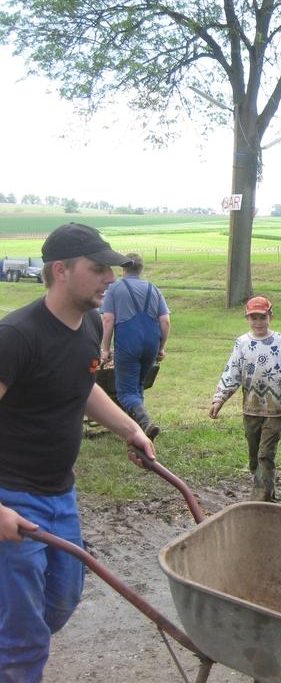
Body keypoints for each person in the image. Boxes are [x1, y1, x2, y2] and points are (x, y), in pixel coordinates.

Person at [0, 223, 156, 681]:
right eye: (98, 268)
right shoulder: (16, 336)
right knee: (26, 638)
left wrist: (130, 428)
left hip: (60, 495)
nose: (110, 277)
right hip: (13, 497)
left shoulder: (89, 325)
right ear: (61, 270)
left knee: (62, 599)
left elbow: (82, 385)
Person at [208, 296, 281, 502]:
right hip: (251, 408)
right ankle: (267, 492)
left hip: (276, 408)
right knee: (255, 455)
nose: (258, 322)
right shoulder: (242, 343)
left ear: (270, 316)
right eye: (253, 318)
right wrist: (219, 400)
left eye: (262, 317)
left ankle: (259, 498)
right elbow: (232, 373)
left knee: (266, 453)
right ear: (247, 319)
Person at [99, 252, 169, 439]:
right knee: (138, 385)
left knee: (125, 392)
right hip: (151, 343)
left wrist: (105, 349)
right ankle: (139, 429)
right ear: (141, 269)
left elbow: (107, 319)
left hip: (129, 343)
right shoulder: (153, 288)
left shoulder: (115, 288)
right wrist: (161, 347)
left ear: (123, 269)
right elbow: (165, 321)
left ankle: (144, 422)